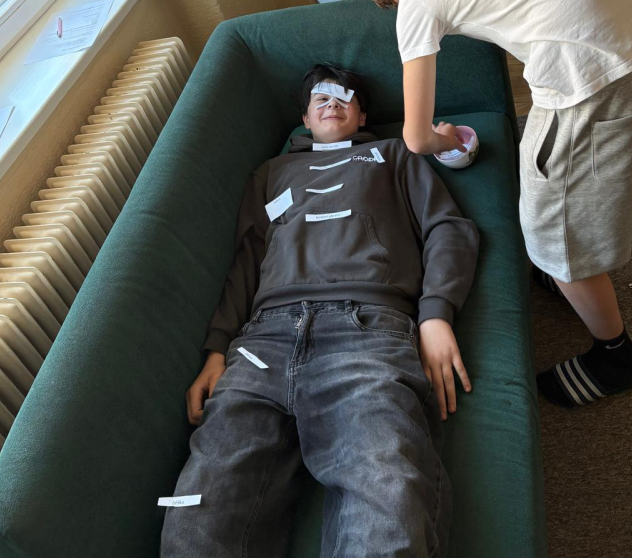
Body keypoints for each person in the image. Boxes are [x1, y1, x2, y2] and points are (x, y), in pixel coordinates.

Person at [349, 0, 632, 409]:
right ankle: (569, 271)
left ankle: (615, 356)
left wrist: (449, 138)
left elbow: (416, 138)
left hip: (591, 76)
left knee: (551, 228)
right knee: (601, 169)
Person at [160, 64, 479, 558]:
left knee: (387, 502)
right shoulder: (271, 173)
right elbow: (247, 260)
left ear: (363, 115)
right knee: (199, 516)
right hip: (262, 342)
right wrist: (218, 348)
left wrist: (435, 313)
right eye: (320, 99)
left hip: (365, 329)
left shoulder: (393, 154)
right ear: (305, 119)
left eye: (343, 97)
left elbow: (447, 227)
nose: (332, 103)